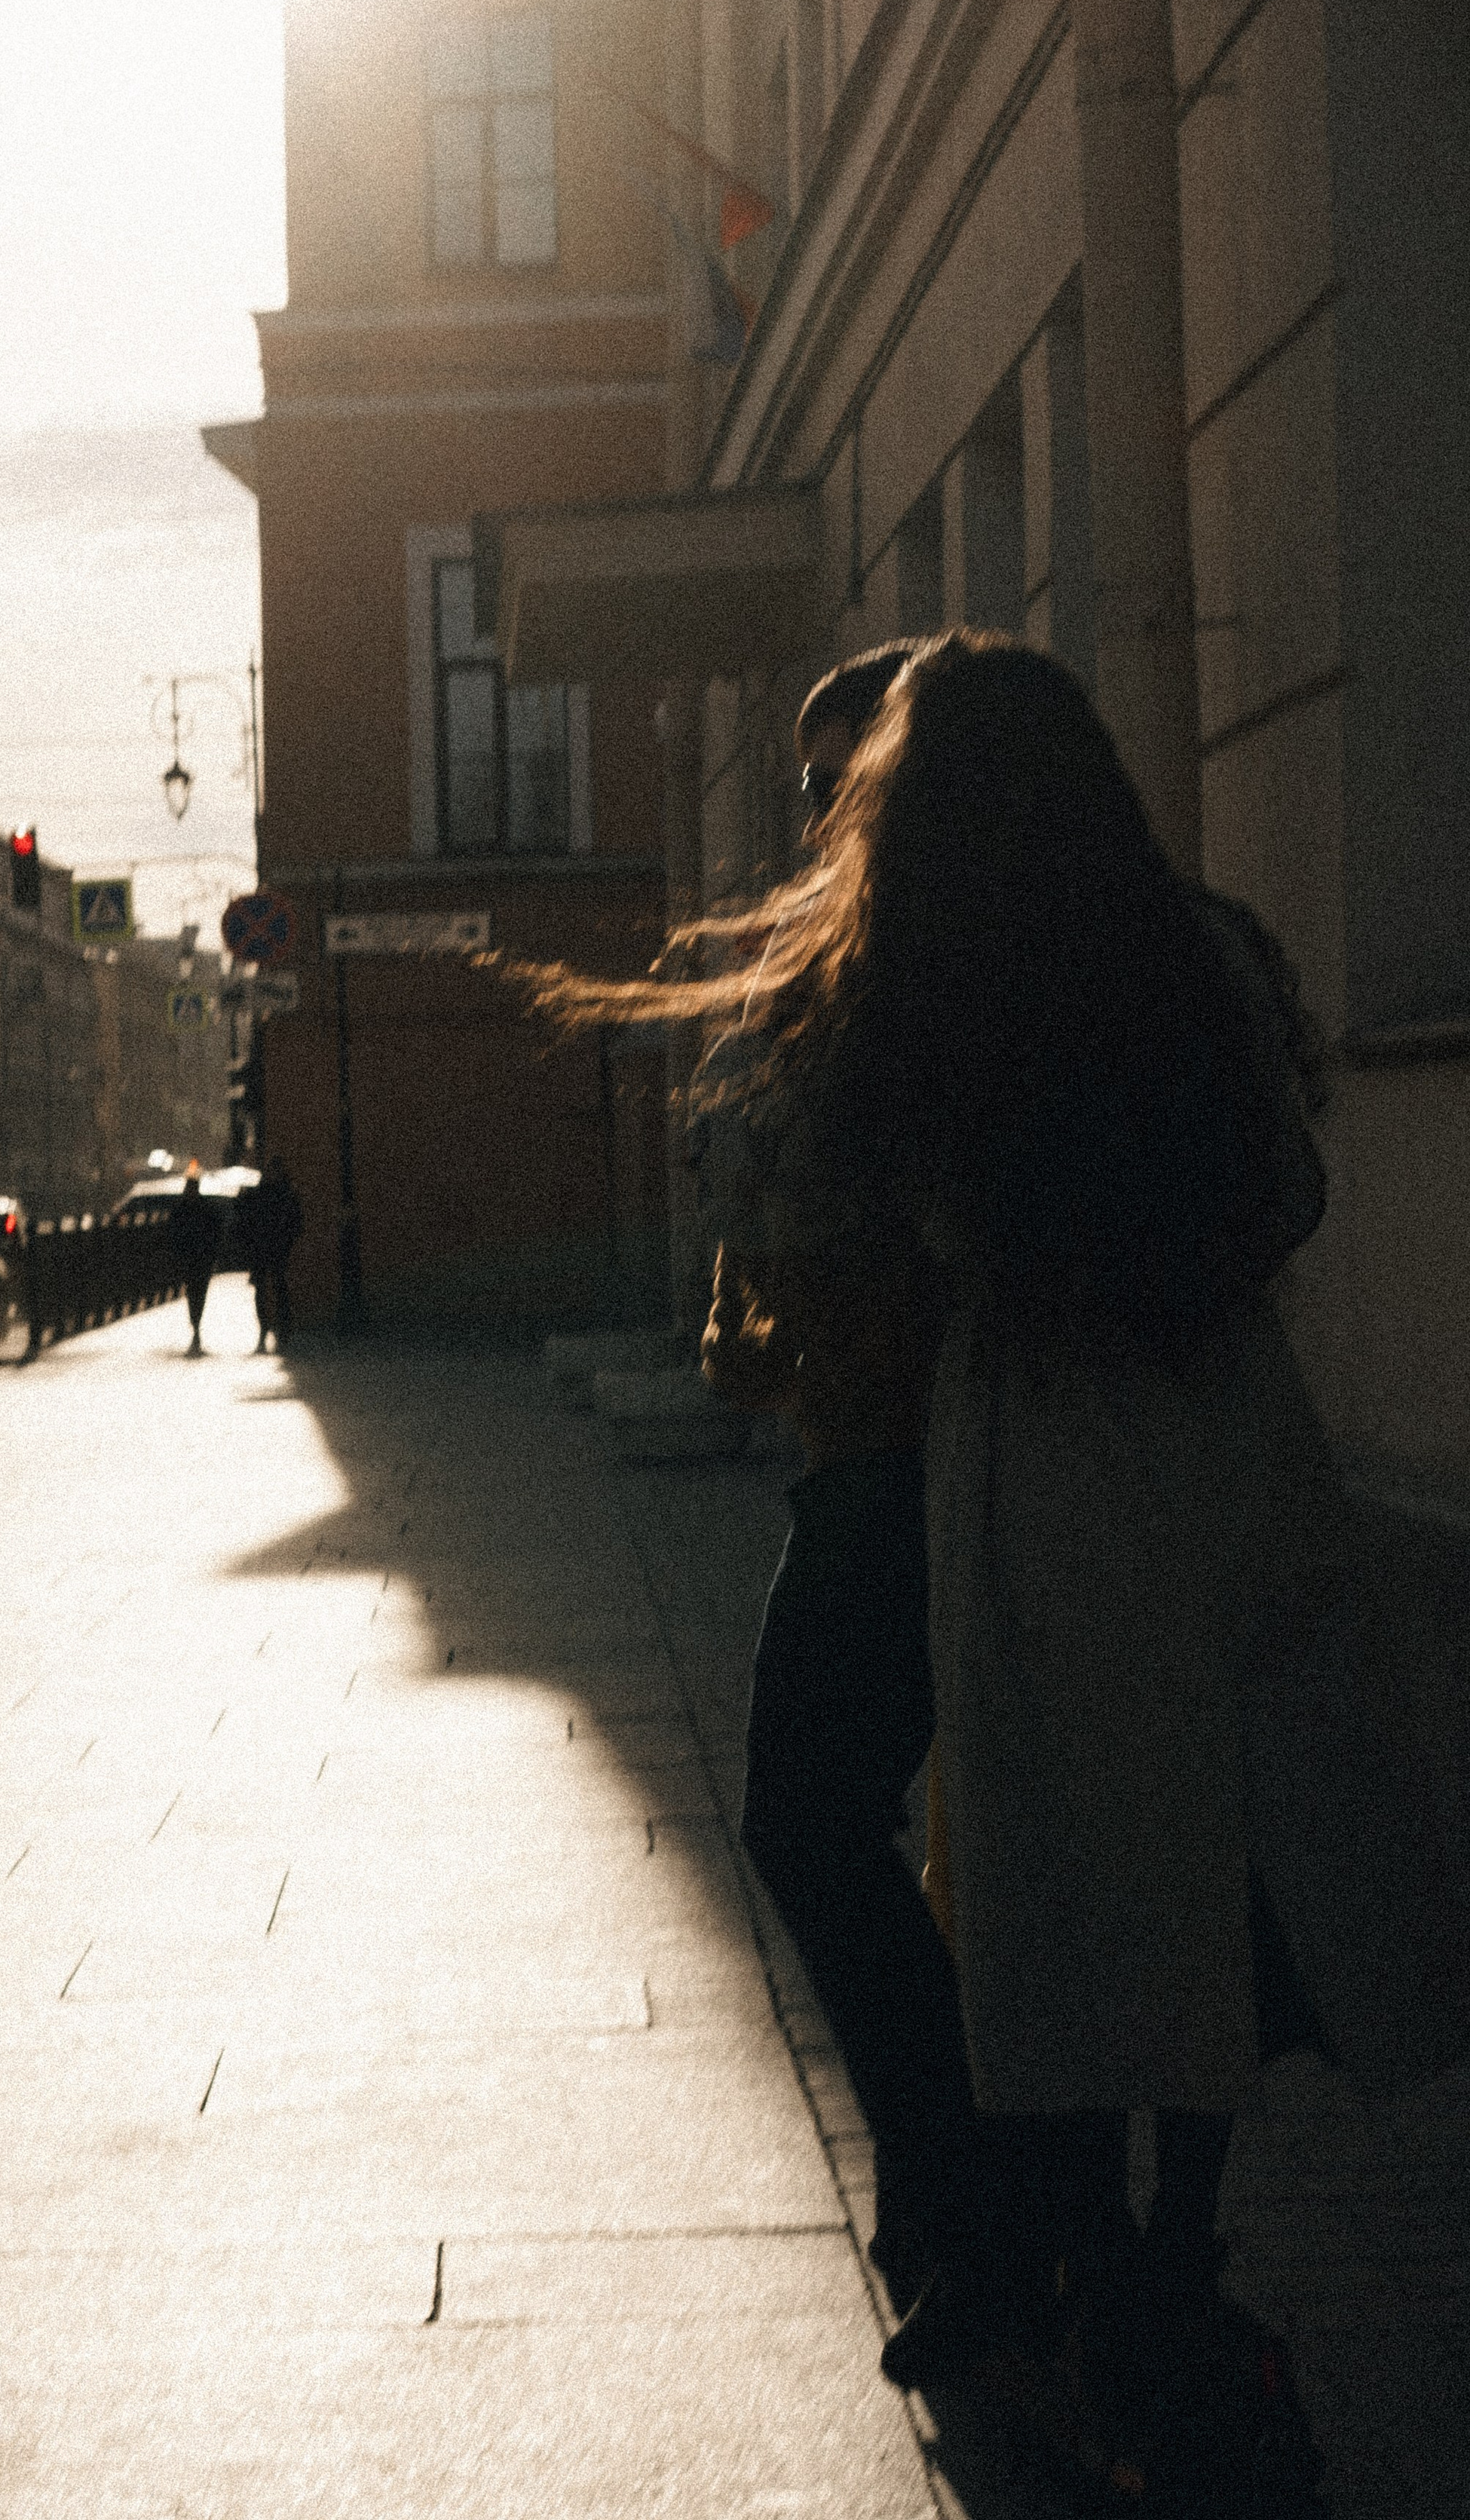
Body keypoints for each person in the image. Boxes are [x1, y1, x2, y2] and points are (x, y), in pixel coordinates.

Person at [519, 632, 1469, 2506]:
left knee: (853, 1816)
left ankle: (989, 2216)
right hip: (1220, 1449)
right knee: (1188, 1841)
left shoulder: (898, 984)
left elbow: (787, 1213)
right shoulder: (1198, 953)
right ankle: (1155, 2247)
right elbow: (1286, 1185)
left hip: (977, 1459)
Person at [702, 640, 987, 2319]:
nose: (809, 818)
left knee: (807, 1817)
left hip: (901, 1472)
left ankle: (953, 2184)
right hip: (992, 1461)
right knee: (1051, 1853)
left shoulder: (887, 986)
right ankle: (1040, 2220)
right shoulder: (1095, 950)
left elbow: (825, 1241)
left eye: (829, 784)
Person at [249, 1154, 302, 1354]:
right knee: (274, 1287)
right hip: (271, 1247)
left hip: (268, 1247)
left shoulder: (263, 1194)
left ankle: (273, 1327)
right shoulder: (285, 1193)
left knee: (271, 1288)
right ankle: (274, 1327)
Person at [172, 1164, 219, 1355]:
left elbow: (173, 1234)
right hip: (200, 1258)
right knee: (198, 1293)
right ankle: (196, 1326)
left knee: (194, 1293)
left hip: (192, 1258)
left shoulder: (181, 1208)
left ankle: (195, 1326)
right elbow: (215, 1234)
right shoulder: (206, 1208)